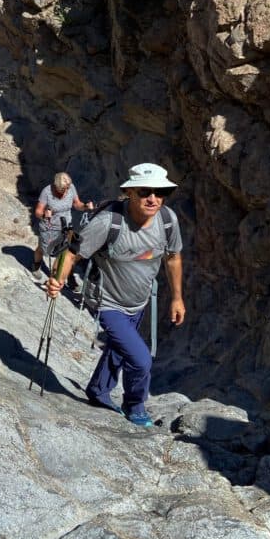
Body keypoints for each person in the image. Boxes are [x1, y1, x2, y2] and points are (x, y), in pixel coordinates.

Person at [45, 163, 185, 428]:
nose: (153, 198)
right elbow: (74, 251)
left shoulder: (168, 220)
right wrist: (58, 281)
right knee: (140, 359)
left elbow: (174, 257)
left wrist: (177, 298)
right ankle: (135, 405)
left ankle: (98, 390)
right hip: (108, 302)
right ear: (130, 192)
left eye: (160, 192)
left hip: (140, 300)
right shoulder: (109, 222)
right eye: (145, 192)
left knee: (120, 349)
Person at [33, 172, 93, 280]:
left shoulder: (71, 188)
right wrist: (44, 215)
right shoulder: (47, 192)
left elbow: (76, 204)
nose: (65, 191)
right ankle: (36, 265)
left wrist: (85, 206)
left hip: (66, 226)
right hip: (49, 226)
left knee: (66, 251)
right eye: (62, 189)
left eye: (67, 188)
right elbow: (38, 211)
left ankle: (64, 275)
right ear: (56, 186)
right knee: (43, 249)